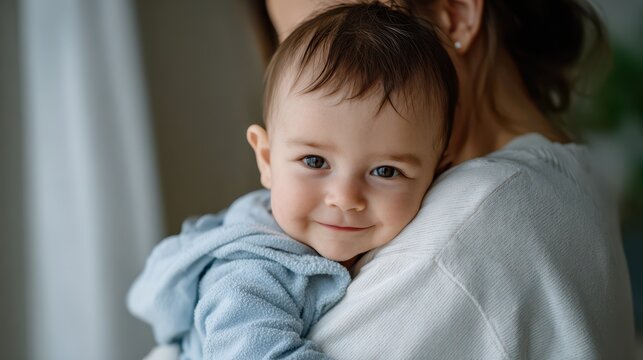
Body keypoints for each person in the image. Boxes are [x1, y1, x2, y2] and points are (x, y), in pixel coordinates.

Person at [255, 0, 636, 359]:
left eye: (346, 32)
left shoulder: (468, 226)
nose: (318, 78)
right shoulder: (573, 176)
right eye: (296, 43)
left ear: (454, 14)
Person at [127, 3, 457, 359]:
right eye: (315, 161)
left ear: (436, 173)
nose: (345, 197)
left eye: (386, 171)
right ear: (266, 159)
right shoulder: (249, 274)